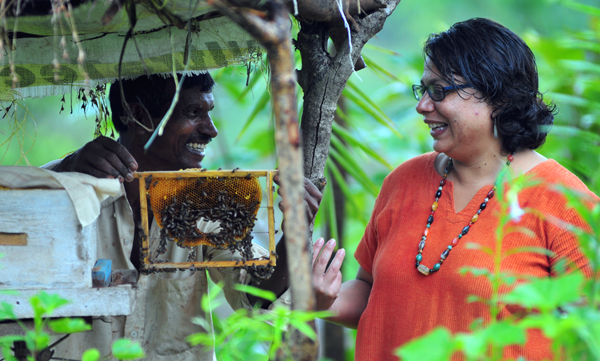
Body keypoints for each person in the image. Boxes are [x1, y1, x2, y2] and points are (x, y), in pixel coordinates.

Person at [312, 18, 599, 360]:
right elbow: (372, 292)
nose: (422, 106)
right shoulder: (402, 181)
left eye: (439, 91)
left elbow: (587, 337)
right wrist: (322, 299)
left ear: (500, 97)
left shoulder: (567, 204)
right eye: (423, 90)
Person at [46, 73, 322, 361]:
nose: (211, 130)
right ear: (138, 115)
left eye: (209, 113)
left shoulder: (205, 202)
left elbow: (256, 295)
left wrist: (294, 230)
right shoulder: (67, 183)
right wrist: (67, 172)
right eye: (193, 112)